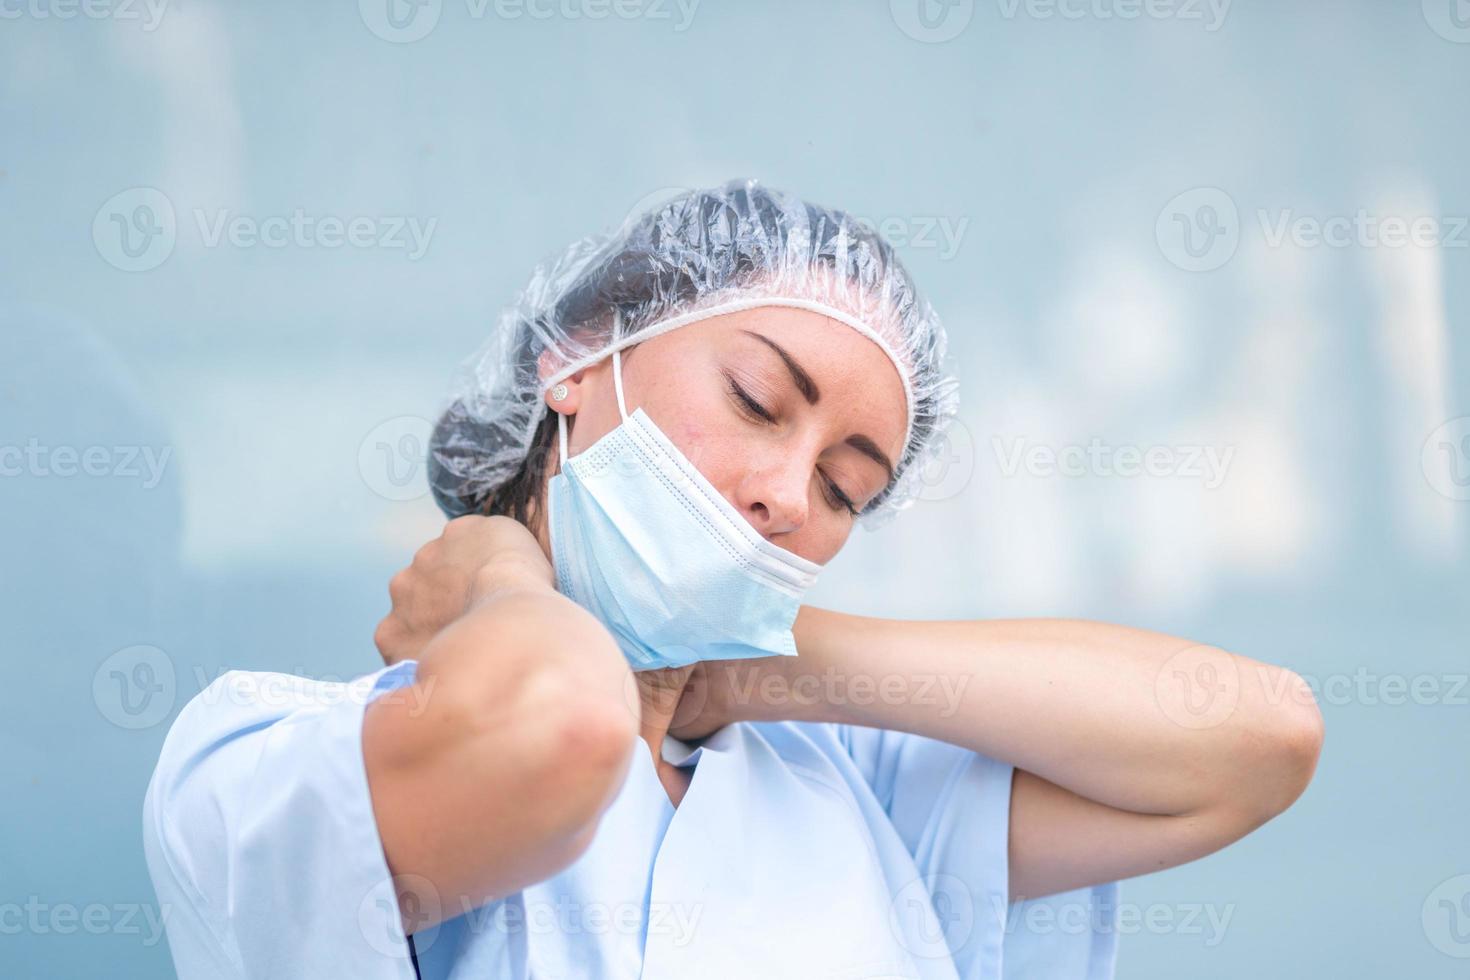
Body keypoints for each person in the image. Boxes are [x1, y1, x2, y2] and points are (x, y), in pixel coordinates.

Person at [142, 180, 1324, 979]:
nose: (786, 496)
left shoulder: (867, 798)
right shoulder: (267, 762)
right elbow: (550, 728)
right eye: (758, 401)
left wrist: (765, 666)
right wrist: (504, 581)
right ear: (574, 360)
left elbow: (1254, 739)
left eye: (848, 490)